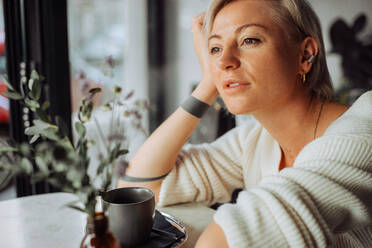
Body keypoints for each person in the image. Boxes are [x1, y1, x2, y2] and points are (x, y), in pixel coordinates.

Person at [118, 0, 372, 247]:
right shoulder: (255, 141)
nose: (224, 60)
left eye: (249, 40)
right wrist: (208, 84)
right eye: (215, 49)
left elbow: (225, 241)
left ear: (304, 55)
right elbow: (138, 190)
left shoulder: (364, 126)